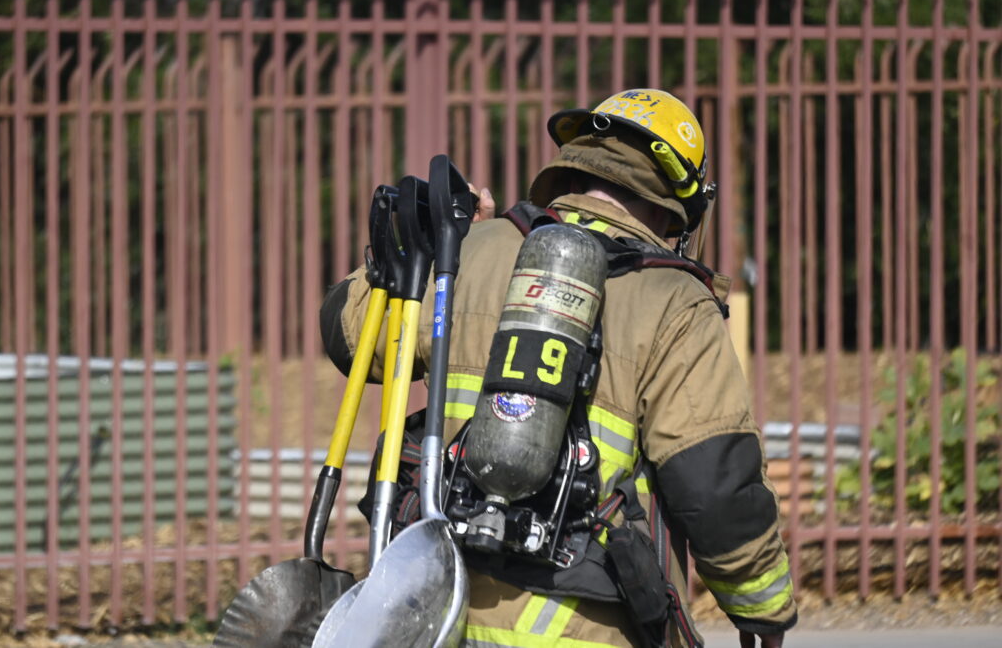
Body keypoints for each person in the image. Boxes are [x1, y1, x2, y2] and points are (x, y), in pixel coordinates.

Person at [320, 88, 796, 648]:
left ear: (576, 163)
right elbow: (714, 486)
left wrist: (428, 245)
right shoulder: (676, 301)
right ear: (677, 200)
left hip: (439, 616)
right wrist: (765, 609)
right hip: (585, 627)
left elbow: (351, 335)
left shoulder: (471, 249)